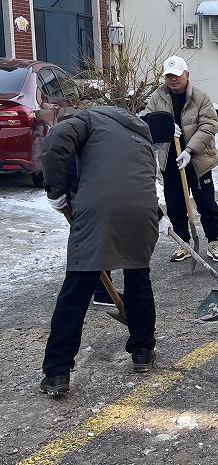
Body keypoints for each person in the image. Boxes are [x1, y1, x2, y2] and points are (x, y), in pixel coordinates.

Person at [39, 106, 171, 396]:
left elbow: (56, 140)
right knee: (139, 280)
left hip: (98, 211)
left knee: (77, 289)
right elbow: (135, 181)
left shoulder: (89, 118)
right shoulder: (142, 136)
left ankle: (57, 371)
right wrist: (158, 214)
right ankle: (142, 351)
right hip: (142, 212)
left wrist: (56, 190)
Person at [147, 55, 218, 263]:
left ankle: (213, 242)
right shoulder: (157, 98)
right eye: (168, 76)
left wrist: (189, 150)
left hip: (197, 161)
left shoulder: (200, 97)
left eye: (177, 76)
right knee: (175, 205)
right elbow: (147, 121)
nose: (173, 80)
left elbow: (209, 126)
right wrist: (162, 127)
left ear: (186, 74)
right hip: (170, 162)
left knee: (206, 203)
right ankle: (183, 243)